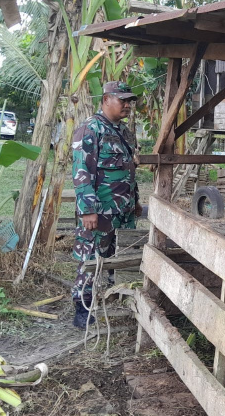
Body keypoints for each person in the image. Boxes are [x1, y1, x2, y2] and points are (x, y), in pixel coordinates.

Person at [71, 81, 141, 328]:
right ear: (105, 100)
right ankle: (82, 307)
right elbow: (81, 172)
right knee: (91, 258)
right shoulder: (90, 129)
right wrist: (87, 210)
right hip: (100, 211)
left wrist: (136, 201)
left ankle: (119, 299)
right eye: (122, 100)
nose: (127, 105)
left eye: (129, 100)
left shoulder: (124, 131)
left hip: (123, 210)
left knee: (121, 255)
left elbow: (129, 169)